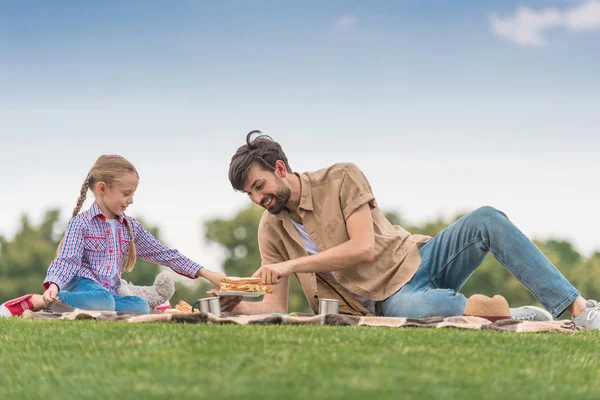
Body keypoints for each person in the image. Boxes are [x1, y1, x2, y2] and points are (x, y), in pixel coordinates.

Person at [221, 130, 600, 329]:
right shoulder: (271, 231)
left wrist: (291, 266)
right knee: (422, 310)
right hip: (386, 304)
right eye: (248, 194)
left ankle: (578, 309)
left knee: (487, 218)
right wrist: (236, 306)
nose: (257, 199)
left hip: (417, 260)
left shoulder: (341, 178)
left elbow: (364, 249)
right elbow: (276, 306)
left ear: (281, 170)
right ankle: (508, 314)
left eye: (258, 187)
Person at [1, 155, 224, 316]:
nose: (131, 200)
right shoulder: (82, 223)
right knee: (103, 300)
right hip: (82, 285)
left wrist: (206, 273)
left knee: (139, 306)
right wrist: (54, 286)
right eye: (126, 193)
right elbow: (67, 261)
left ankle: (76, 307)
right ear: (102, 189)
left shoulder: (129, 226)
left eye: (133, 193)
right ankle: (38, 301)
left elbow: (164, 253)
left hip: (108, 290)